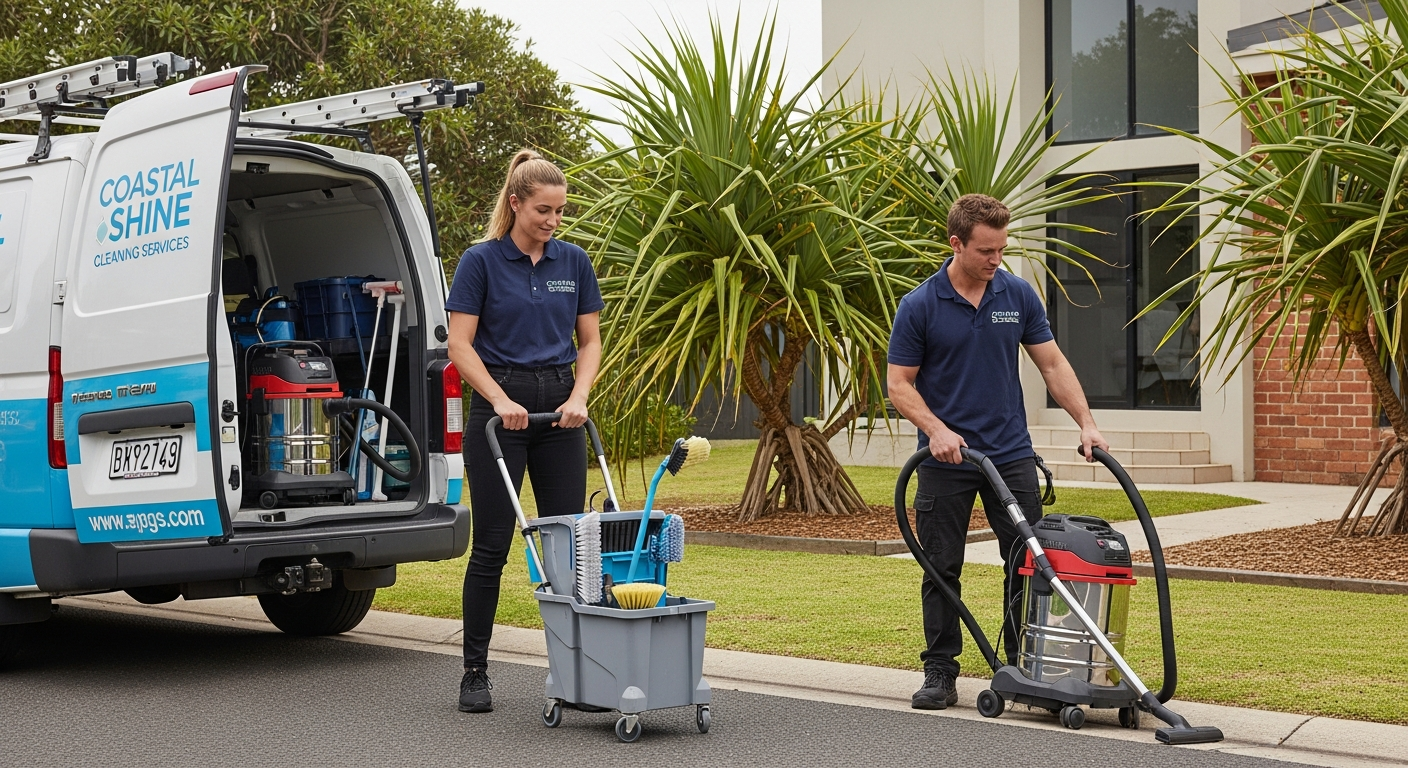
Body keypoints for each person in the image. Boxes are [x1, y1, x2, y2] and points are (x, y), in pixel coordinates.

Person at [886, 193, 1108, 710]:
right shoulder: (920, 304)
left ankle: (1023, 668)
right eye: (986, 250)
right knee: (942, 565)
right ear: (956, 244)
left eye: (1002, 249)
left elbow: (1052, 364)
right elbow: (899, 385)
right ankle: (940, 672)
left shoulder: (1016, 294)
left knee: (1027, 564)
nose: (995, 260)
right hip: (946, 460)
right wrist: (936, 430)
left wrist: (1087, 422)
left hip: (1010, 455)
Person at [445, 149, 604, 713]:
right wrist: (499, 400)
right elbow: (459, 345)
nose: (553, 222)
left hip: (561, 412)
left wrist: (579, 396)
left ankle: (578, 673)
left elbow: (589, 342)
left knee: (570, 546)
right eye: (543, 210)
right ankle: (475, 672)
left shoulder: (573, 263)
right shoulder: (481, 262)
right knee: (491, 545)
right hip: (500, 416)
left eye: (560, 212)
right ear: (515, 203)